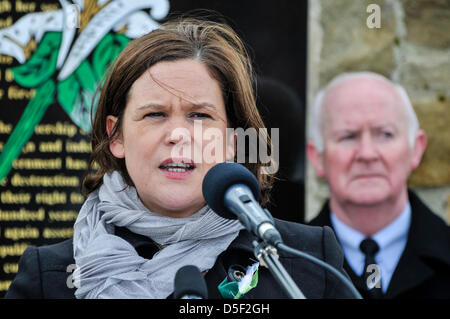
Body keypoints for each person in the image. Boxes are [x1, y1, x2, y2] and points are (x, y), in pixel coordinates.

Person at [6, 17, 353, 299]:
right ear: (116, 136)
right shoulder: (48, 277)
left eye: (200, 115)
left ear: (232, 141)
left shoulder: (306, 262)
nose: (178, 134)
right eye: (155, 114)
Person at [307, 72, 450, 299]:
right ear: (317, 157)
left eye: (385, 134)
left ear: (416, 149)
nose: (367, 154)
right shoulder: (282, 268)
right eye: (348, 136)